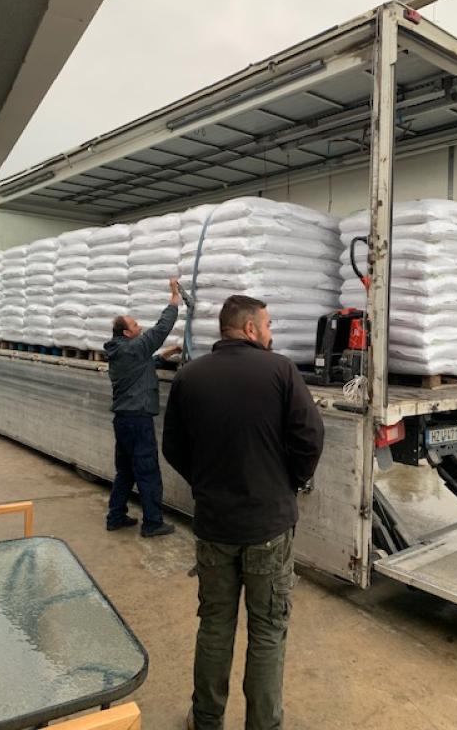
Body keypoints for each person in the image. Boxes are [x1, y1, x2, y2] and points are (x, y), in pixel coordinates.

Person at [162, 294, 325, 730]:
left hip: (215, 524)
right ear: (250, 328)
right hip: (268, 525)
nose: (270, 334)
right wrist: (289, 482)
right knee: (268, 631)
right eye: (267, 326)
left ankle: (206, 720)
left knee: (214, 625)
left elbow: (172, 447)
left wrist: (205, 483)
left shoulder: (189, 377)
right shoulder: (280, 371)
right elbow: (310, 437)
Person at [104, 276, 181, 538]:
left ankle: (115, 517)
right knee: (147, 471)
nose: (140, 327)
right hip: (138, 420)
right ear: (127, 333)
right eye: (135, 325)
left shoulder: (122, 352)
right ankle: (152, 523)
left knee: (125, 471)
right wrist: (174, 298)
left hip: (123, 420)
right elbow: (161, 329)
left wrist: (167, 354)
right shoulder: (134, 348)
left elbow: (145, 365)